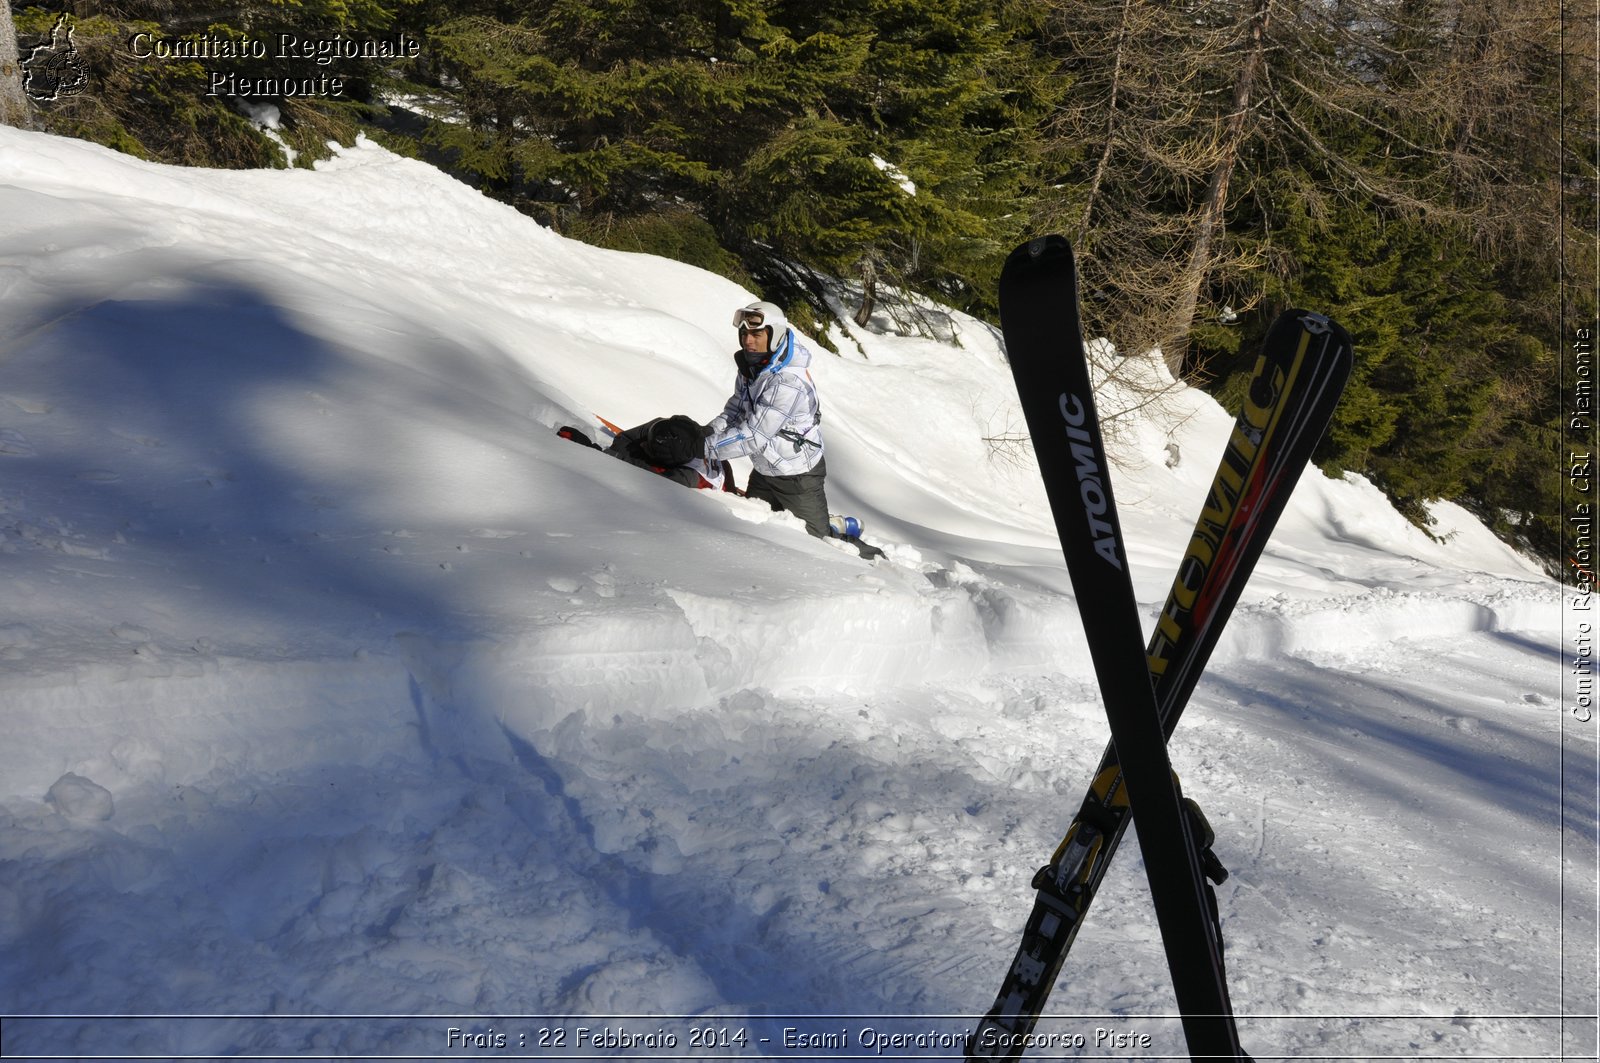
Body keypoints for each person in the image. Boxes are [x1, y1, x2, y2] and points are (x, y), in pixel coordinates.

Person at [703, 301, 882, 559]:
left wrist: (703, 449)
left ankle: (874, 557)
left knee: (822, 546)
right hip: (766, 468)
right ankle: (824, 522)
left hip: (797, 476)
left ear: (774, 335)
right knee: (758, 523)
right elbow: (735, 411)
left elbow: (753, 436)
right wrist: (705, 434)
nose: (748, 341)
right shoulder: (753, 368)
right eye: (744, 334)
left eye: (756, 334)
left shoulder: (787, 381)